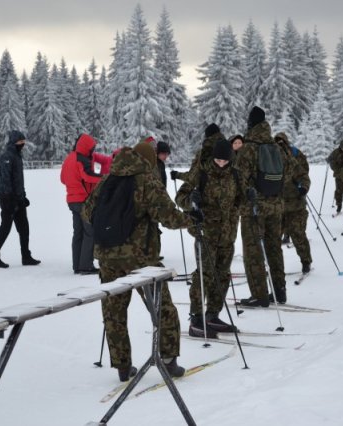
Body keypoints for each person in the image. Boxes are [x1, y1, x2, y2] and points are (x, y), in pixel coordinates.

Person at [82, 142, 197, 382]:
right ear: (148, 161)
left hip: (107, 257)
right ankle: (168, 360)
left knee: (114, 312)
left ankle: (123, 367)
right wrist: (191, 219)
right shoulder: (147, 181)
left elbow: (86, 211)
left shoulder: (107, 180)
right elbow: (169, 217)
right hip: (141, 259)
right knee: (162, 309)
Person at [176, 139, 242, 338]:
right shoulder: (201, 174)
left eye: (225, 160)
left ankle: (212, 315)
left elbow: (240, 200)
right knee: (204, 275)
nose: (221, 163)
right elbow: (180, 198)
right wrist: (191, 201)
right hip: (206, 233)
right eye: (218, 160)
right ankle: (196, 319)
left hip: (228, 233)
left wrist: (249, 195)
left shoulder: (236, 175)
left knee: (223, 275)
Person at [235, 106, 292, 307]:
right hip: (275, 206)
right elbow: (287, 173)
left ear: (251, 124)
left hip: (254, 208)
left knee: (253, 252)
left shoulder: (248, 148)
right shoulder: (276, 147)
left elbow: (241, 179)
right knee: (274, 248)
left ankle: (259, 294)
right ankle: (280, 290)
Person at [0, 130, 40, 268]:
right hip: (8, 198)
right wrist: (10, 198)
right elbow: (6, 179)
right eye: (20, 142)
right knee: (5, 227)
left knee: (24, 228)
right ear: (13, 142)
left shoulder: (17, 156)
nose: (22, 144)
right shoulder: (7, 156)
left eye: (23, 142)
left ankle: (26, 256)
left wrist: (22, 197)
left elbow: (18, 180)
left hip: (17, 198)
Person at [60, 133, 103, 274]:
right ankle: (86, 266)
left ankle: (77, 265)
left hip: (72, 200)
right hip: (83, 200)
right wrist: (103, 178)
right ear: (86, 147)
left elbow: (62, 178)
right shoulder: (81, 159)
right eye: (92, 148)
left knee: (77, 233)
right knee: (89, 233)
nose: (93, 151)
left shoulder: (69, 158)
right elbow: (88, 176)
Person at [274, 132, 312, 273]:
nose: (280, 145)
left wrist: (303, 187)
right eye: (277, 142)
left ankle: (306, 261)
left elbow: (304, 174)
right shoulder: (271, 159)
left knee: (298, 234)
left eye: (282, 142)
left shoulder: (295, 157)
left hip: (296, 204)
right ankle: (275, 266)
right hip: (277, 205)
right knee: (273, 237)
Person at [326, 141, 343, 214]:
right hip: (338, 175)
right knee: (339, 190)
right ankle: (339, 205)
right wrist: (329, 161)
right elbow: (330, 159)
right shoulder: (335, 152)